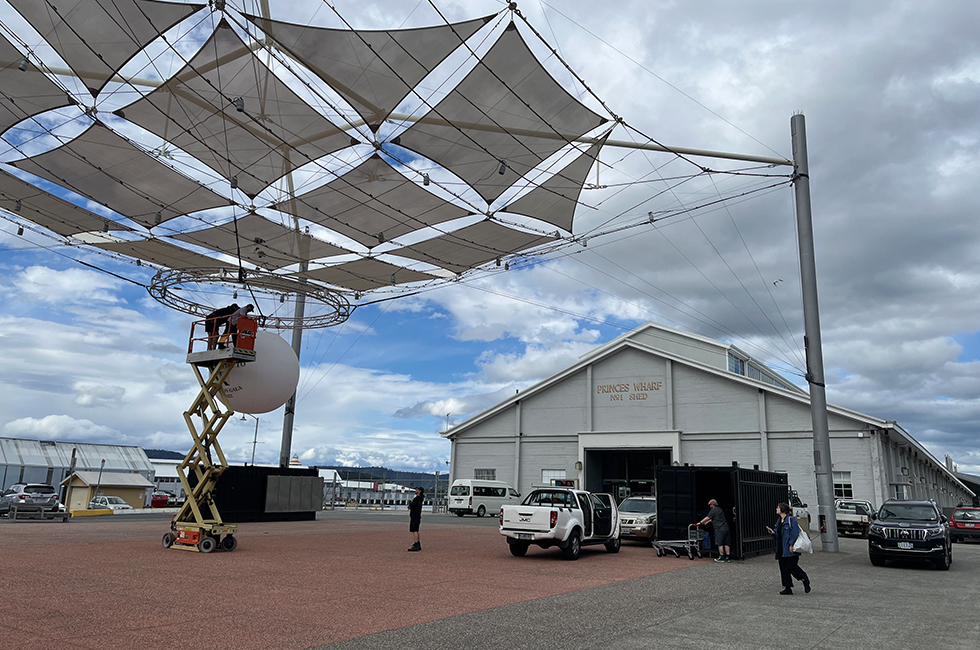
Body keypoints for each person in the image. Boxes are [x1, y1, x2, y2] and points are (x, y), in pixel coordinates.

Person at [767, 502, 811, 595]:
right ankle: (787, 587)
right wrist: (773, 533)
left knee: (792, 566)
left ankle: (804, 578)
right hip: (781, 548)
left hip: (789, 548)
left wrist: (791, 544)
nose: (776, 509)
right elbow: (778, 534)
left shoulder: (791, 520)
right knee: (783, 568)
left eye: (778, 508)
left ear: (783, 510)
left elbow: (795, 533)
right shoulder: (779, 521)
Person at [407, 486, 424, 552]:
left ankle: (416, 544)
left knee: (414, 530)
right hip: (417, 516)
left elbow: (410, 506)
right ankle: (418, 543)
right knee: (416, 530)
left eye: (417, 490)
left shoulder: (417, 499)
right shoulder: (420, 499)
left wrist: (410, 505)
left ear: (419, 491)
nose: (416, 490)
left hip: (415, 516)